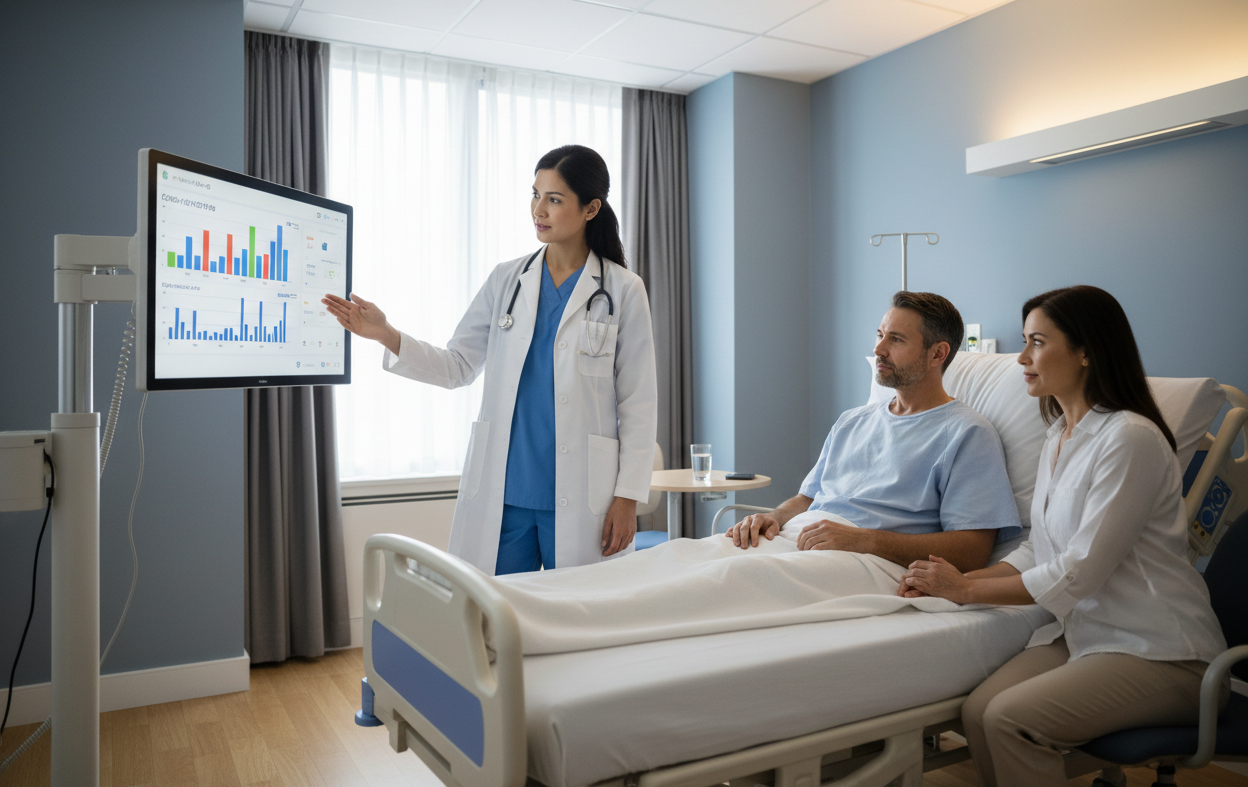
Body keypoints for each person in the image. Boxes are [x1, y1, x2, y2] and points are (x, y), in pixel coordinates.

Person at [897, 285, 1228, 787]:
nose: (1022, 358)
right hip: (1084, 636)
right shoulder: (1059, 437)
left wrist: (965, 591)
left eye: (1037, 343)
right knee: (979, 712)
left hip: (1162, 652)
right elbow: (1040, 548)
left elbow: (1079, 570)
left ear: (1086, 352)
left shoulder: (1130, 438)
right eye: (1024, 342)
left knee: (1008, 720)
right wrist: (951, 582)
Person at [323, 145, 657, 576]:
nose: (538, 209)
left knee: (580, 610)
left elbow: (638, 403)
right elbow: (458, 365)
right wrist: (386, 334)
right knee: (494, 611)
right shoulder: (506, 280)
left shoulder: (623, 289)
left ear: (591, 209)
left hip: (584, 495)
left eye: (554, 199)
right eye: (535, 194)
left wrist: (627, 497)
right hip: (505, 494)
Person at [728, 291, 1022, 571]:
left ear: (937, 354)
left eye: (896, 339)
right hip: (796, 540)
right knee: (705, 559)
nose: (878, 349)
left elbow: (972, 551)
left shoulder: (967, 433)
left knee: (727, 582)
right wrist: (773, 517)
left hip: (864, 561)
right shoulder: (851, 421)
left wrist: (865, 540)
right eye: (880, 335)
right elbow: (807, 498)